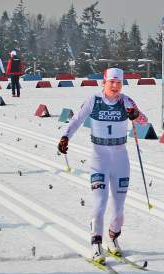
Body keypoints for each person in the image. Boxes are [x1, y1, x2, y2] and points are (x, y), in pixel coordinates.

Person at [57, 68, 147, 264]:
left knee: (119, 210)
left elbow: (143, 121)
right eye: (111, 82)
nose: (115, 87)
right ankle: (96, 243)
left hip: (120, 158)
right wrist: (65, 137)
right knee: (100, 204)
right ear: (104, 82)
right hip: (100, 157)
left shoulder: (126, 101)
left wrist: (135, 114)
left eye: (118, 83)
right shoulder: (94, 100)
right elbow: (76, 120)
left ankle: (113, 238)